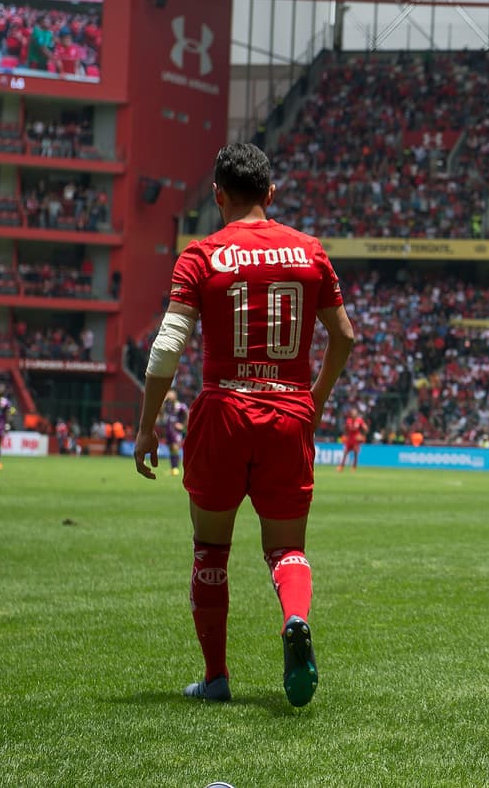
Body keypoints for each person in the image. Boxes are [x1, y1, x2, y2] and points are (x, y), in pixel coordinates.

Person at [133, 143, 356, 708]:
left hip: (224, 411)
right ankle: (295, 617)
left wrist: (147, 425)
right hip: (288, 412)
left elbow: (167, 347)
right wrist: (314, 401)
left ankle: (216, 678)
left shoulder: (201, 255)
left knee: (210, 548)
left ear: (218, 195)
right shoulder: (310, 252)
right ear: (271, 194)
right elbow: (345, 337)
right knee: (286, 549)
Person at [158, 391, 190, 476]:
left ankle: (176, 469)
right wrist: (163, 400)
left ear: (175, 396)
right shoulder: (167, 405)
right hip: (168, 429)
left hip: (176, 430)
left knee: (175, 447)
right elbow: (160, 411)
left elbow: (187, 415)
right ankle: (173, 468)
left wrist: (183, 425)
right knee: (171, 448)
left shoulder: (180, 406)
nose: (169, 395)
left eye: (170, 394)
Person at [338, 407, 368, 472]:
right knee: (345, 453)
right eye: (352, 413)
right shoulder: (348, 420)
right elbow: (345, 429)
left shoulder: (359, 420)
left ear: (356, 414)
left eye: (354, 413)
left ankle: (354, 467)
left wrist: (362, 436)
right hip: (349, 439)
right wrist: (345, 435)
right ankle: (341, 467)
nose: (353, 414)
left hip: (356, 439)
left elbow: (366, 428)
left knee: (355, 453)